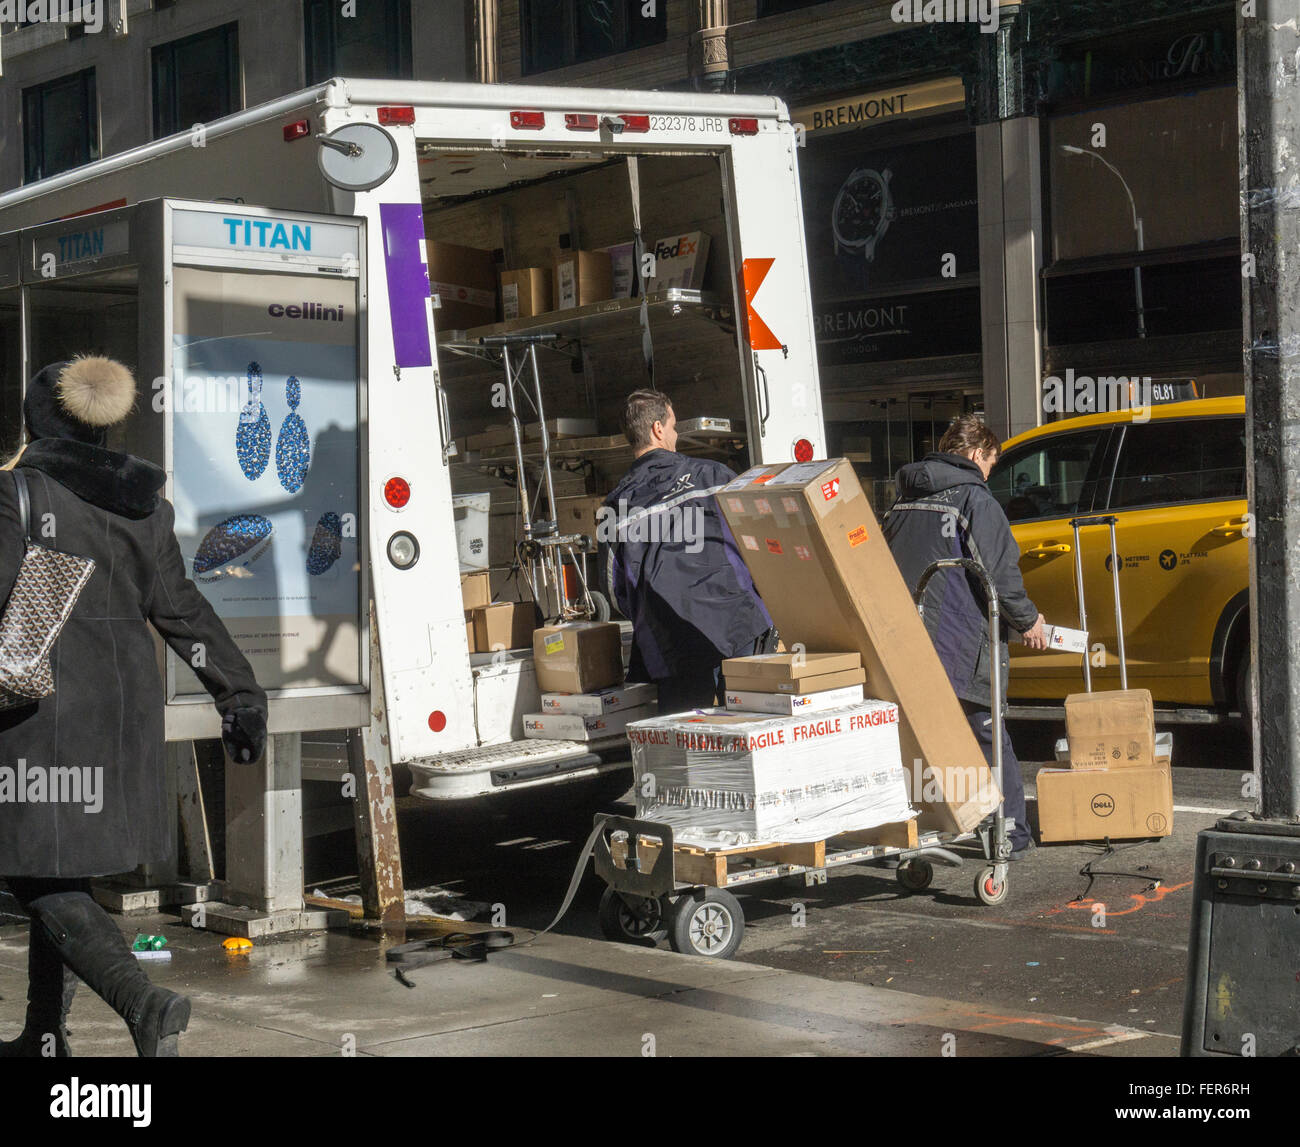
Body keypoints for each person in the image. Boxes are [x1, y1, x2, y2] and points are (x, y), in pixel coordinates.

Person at [0, 356, 267, 1057]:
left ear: (37, 418)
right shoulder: (145, 508)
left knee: (35, 875)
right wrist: (238, 694)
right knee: (64, 872)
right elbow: (182, 612)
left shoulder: (19, 494)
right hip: (123, 726)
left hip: (41, 723)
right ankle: (45, 1033)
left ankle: (144, 1003)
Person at [882, 414, 1047, 859]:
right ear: (977, 454)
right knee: (989, 733)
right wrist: (1028, 620)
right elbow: (998, 573)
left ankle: (927, 827)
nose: (989, 473)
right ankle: (1009, 832)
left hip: (907, 644)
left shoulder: (903, 501)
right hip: (959, 641)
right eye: (991, 463)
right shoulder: (976, 500)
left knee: (923, 739)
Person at [601, 389, 774, 712]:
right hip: (737, 622)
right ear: (657, 429)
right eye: (674, 426)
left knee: (685, 742)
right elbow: (759, 543)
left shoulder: (615, 505)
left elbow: (615, 591)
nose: (676, 434)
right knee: (753, 722)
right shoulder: (715, 476)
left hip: (670, 639)